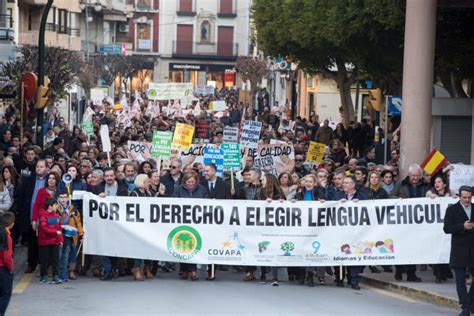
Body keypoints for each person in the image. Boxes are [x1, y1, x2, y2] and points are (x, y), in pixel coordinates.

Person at [390, 163, 429, 282]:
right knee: (402, 246)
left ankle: (411, 273)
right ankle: (399, 269)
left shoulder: (425, 185)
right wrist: (399, 200)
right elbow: (391, 196)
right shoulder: (400, 184)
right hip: (403, 222)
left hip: (418, 222)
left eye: (417, 176)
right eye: (413, 176)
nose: (415, 178)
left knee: (414, 248)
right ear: (408, 174)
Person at [92, 167, 128, 281]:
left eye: (111, 176)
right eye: (107, 176)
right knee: (104, 246)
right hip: (103, 223)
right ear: (104, 177)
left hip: (117, 223)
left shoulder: (122, 188)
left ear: (115, 176)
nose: (109, 178)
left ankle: (113, 268)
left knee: (114, 247)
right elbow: (92, 202)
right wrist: (97, 197)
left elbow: (126, 203)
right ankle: (107, 270)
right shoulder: (98, 188)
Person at [443, 186, 474, 316]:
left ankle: (470, 302)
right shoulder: (452, 209)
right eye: (464, 197)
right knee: (460, 280)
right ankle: (465, 307)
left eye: (469, 197)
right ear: (460, 196)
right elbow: (447, 228)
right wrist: (463, 226)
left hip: (473, 248)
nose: (467, 200)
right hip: (459, 249)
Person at [172, 171, 208, 281]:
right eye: (188, 182)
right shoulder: (178, 189)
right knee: (182, 245)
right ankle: (185, 269)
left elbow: (207, 202)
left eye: (193, 182)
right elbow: (173, 202)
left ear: (196, 181)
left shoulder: (202, 189)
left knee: (193, 244)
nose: (191, 184)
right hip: (182, 220)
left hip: (197, 221)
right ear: (184, 182)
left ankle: (192, 270)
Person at [333, 176, 368, 290]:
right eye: (344, 183)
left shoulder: (362, 195)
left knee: (354, 254)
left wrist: (360, 203)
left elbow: (369, 207)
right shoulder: (338, 195)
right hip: (340, 231)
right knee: (340, 253)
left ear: (353, 185)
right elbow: (330, 208)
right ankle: (339, 278)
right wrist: (339, 203)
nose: (344, 185)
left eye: (347, 183)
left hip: (356, 232)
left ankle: (354, 280)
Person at [17, 159, 49, 273]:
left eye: (41, 166)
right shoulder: (28, 180)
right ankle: (31, 264)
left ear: (46, 168)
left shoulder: (49, 181)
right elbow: (21, 197)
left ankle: (44, 265)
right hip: (31, 216)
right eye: (37, 166)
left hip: (45, 217)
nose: (39, 168)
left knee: (44, 243)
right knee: (31, 243)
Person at [201, 163, 232, 280]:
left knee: (216, 244)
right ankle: (208, 268)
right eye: (204, 171)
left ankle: (212, 269)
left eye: (207, 171)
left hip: (220, 221)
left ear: (214, 171)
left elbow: (230, 202)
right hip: (205, 220)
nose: (205, 173)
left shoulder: (225, 185)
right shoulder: (201, 184)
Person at [294, 174, 326, 286]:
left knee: (312, 251)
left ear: (314, 183)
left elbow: (327, 206)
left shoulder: (320, 193)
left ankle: (311, 275)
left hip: (315, 228)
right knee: (302, 250)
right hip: (302, 228)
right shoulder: (298, 194)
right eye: (306, 181)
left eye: (310, 182)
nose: (308, 183)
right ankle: (302, 274)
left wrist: (323, 202)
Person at [254, 173, 286, 286]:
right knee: (263, 249)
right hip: (262, 226)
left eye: (263, 179)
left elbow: (286, 209)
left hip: (275, 228)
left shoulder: (279, 194)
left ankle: (275, 276)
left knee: (274, 250)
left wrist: (281, 203)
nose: (261, 181)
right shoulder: (259, 193)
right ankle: (262, 274)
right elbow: (253, 207)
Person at [427, 175, 455, 283]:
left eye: (439, 182)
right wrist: (431, 198)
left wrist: (454, 198)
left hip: (446, 228)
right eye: (435, 183)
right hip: (435, 230)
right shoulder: (430, 195)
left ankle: (444, 271)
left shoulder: (451, 195)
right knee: (436, 250)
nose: (436, 184)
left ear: (444, 184)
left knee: (445, 249)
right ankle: (438, 273)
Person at [56, 190, 84, 282]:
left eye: (65, 197)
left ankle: (71, 270)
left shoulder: (74, 209)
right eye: (61, 197)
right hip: (60, 234)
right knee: (63, 254)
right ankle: (61, 272)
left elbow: (78, 223)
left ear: (68, 198)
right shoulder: (56, 208)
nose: (63, 199)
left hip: (72, 235)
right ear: (58, 198)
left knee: (73, 253)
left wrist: (81, 233)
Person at [37, 198, 63, 284]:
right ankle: (43, 276)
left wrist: (60, 240)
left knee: (56, 259)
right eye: (55, 205)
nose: (57, 206)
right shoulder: (43, 216)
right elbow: (45, 228)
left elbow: (59, 228)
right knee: (45, 260)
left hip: (55, 241)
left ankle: (56, 276)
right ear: (50, 206)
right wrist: (55, 232)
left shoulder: (56, 216)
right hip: (45, 242)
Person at [0, 211, 15, 316]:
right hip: (3, 268)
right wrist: (11, 268)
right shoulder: (6, 237)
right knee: (5, 294)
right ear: (12, 223)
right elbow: (7, 257)